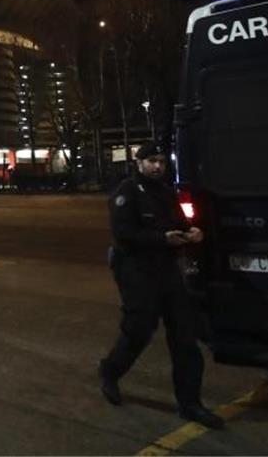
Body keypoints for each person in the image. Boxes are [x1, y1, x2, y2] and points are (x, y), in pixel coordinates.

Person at [97, 141, 224, 429]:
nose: (157, 166)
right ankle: (110, 371)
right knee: (139, 330)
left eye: (162, 162)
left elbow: (178, 223)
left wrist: (191, 232)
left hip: (167, 270)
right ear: (139, 163)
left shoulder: (167, 193)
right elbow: (124, 234)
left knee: (184, 338)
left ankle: (190, 404)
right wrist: (161, 240)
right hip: (136, 271)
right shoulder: (126, 193)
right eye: (151, 161)